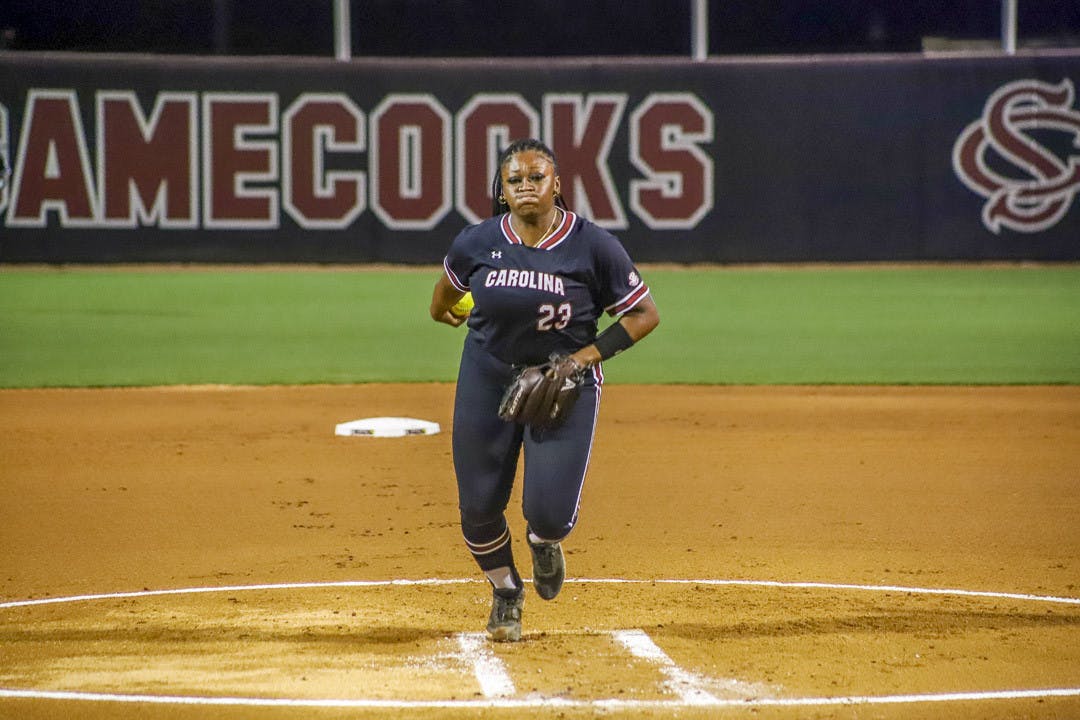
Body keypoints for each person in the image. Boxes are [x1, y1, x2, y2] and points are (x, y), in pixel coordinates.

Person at [429, 138, 659, 642]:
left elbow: (644, 314)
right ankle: (506, 591)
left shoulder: (592, 245)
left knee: (550, 515)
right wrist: (453, 313)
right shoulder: (476, 241)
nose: (527, 187)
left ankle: (543, 542)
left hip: (565, 383)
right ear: (503, 190)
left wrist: (579, 360)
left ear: (557, 185)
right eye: (516, 180)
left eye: (537, 178)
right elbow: (443, 301)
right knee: (478, 508)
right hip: (488, 377)